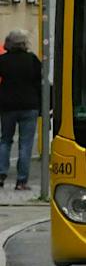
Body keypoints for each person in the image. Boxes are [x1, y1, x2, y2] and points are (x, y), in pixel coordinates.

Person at [0, 30, 42, 191]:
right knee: (26, 144)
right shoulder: (32, 60)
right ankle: (21, 181)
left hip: (7, 105)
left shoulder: (3, 60)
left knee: (5, 140)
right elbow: (40, 83)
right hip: (29, 105)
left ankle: (1, 175)